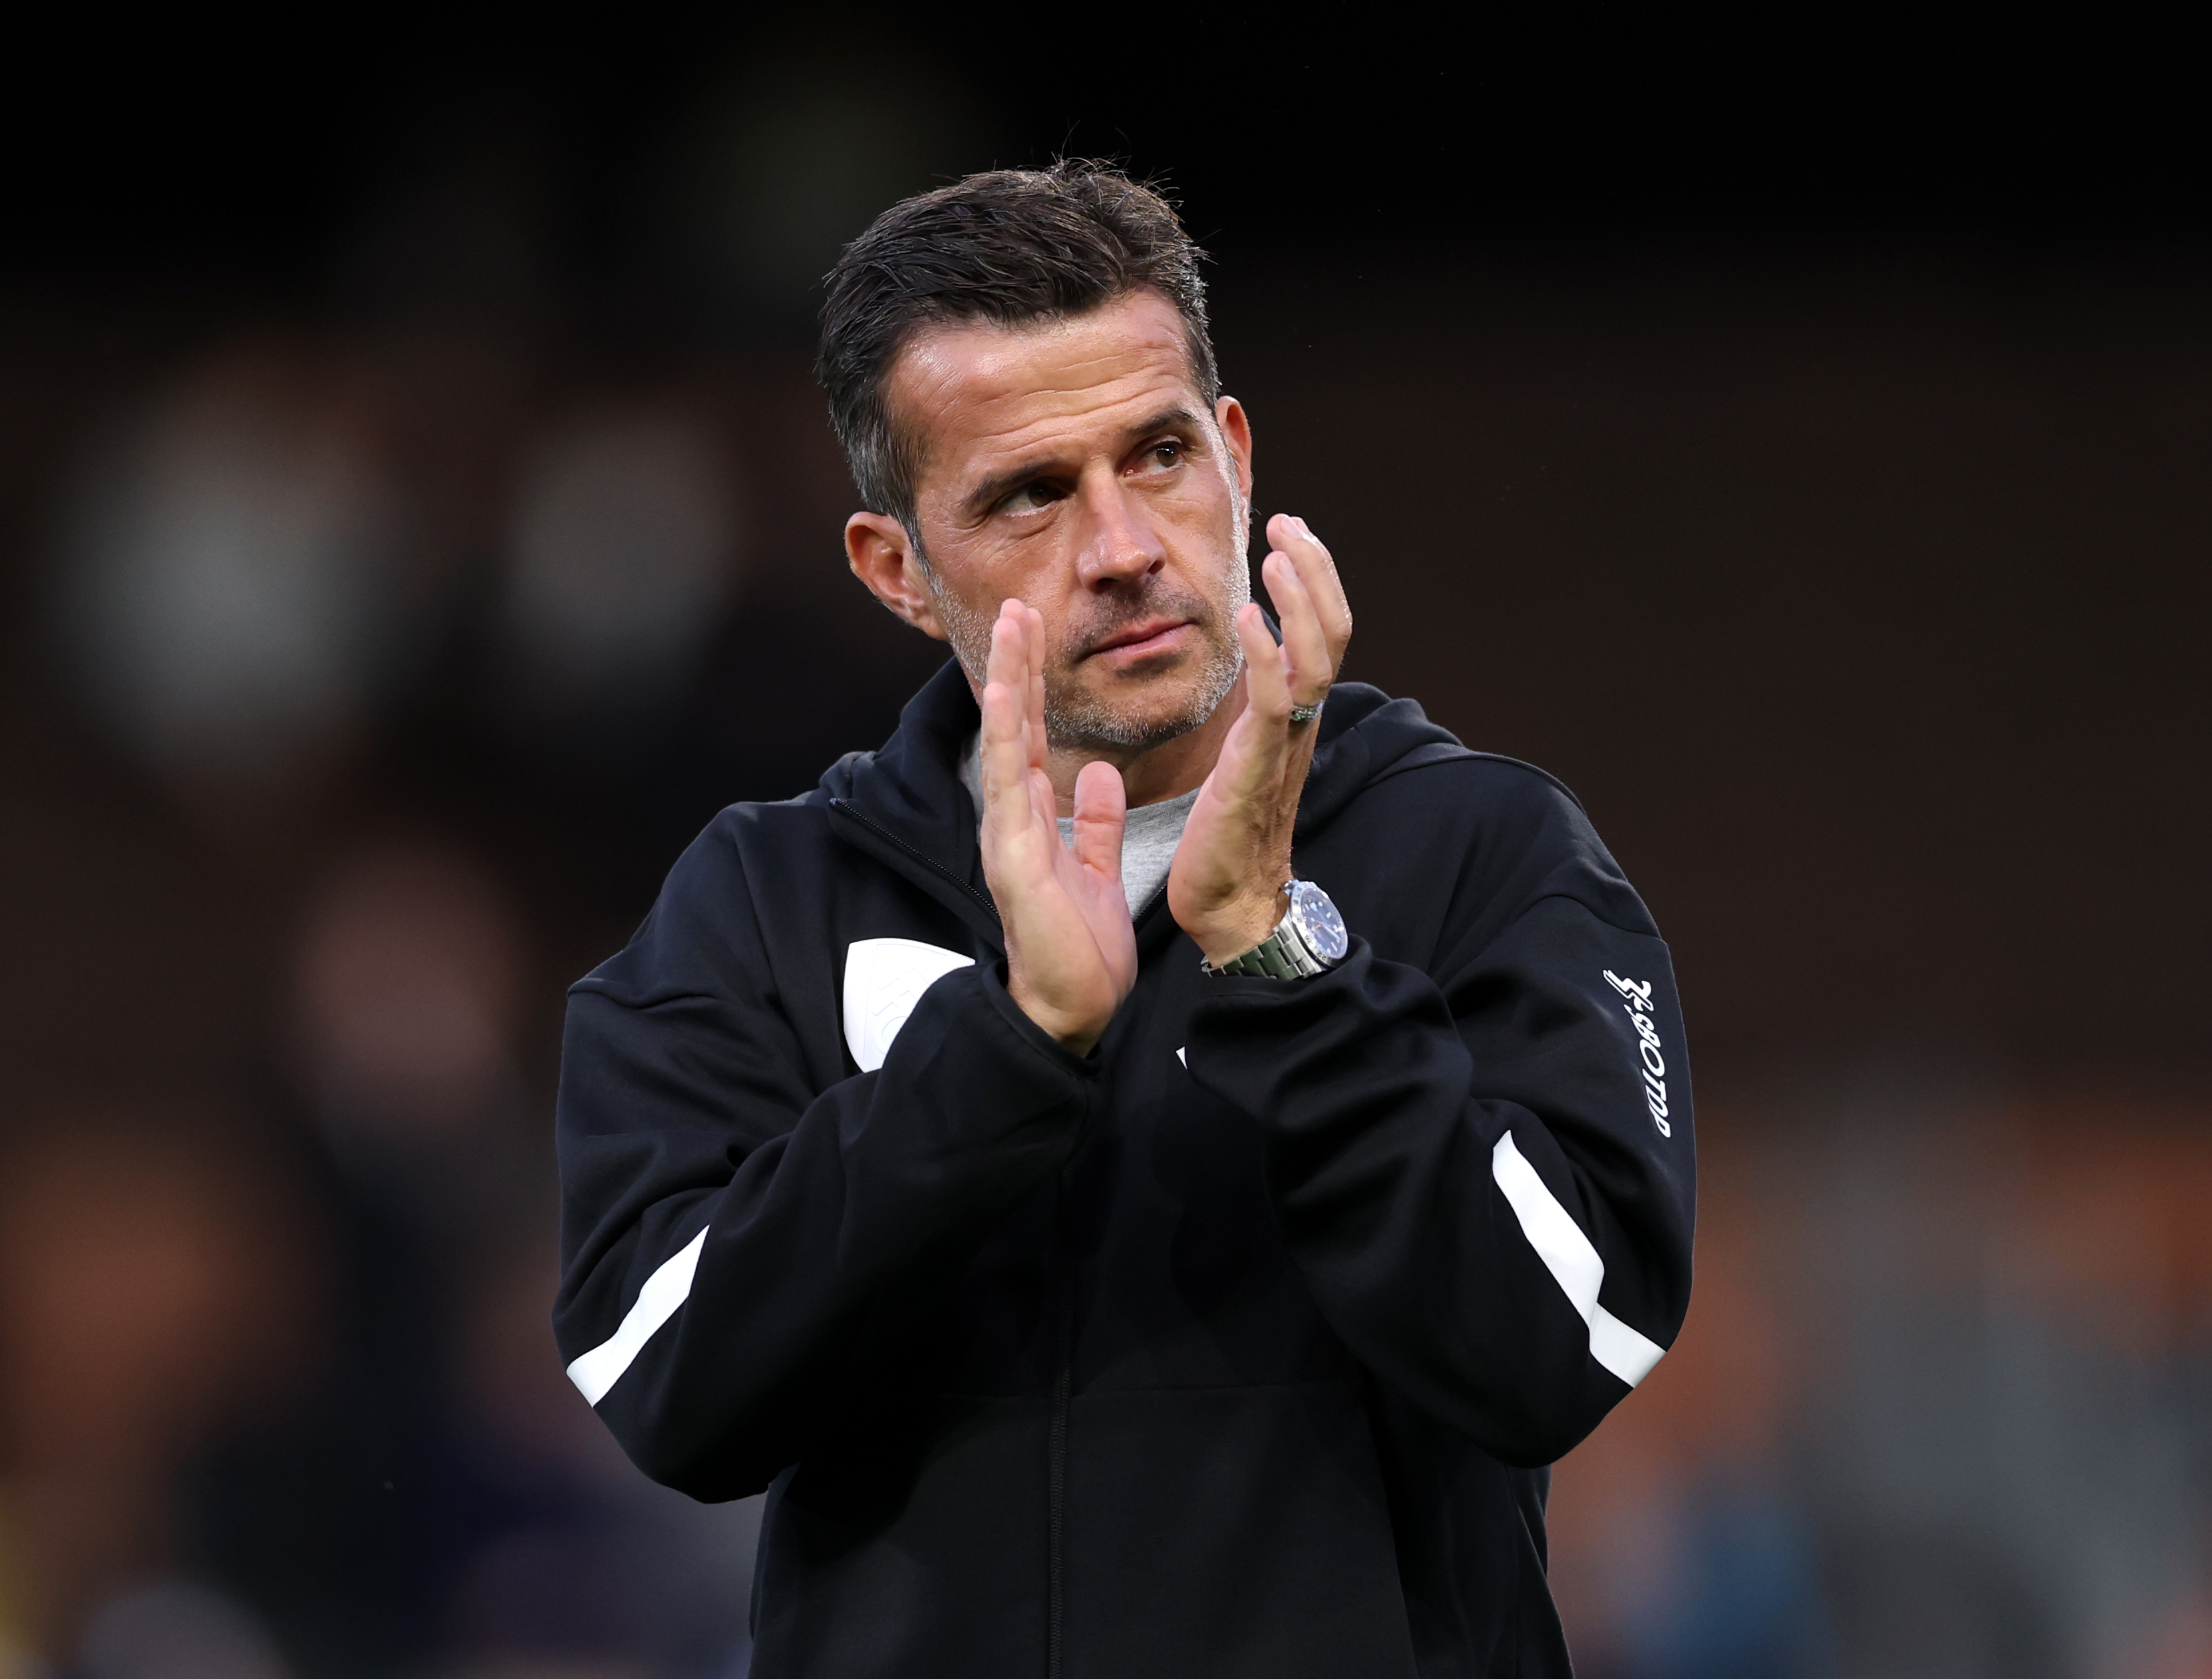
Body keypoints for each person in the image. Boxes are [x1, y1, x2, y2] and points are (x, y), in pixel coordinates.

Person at [552, 162, 1696, 1678]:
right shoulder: (768, 897)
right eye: (1029, 493)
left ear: (1232, 454)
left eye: (1154, 455)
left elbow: (1568, 1343)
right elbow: (664, 1385)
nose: (1121, 545)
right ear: (895, 569)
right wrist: (1006, 1051)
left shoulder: (1478, 845)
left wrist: (1279, 957)